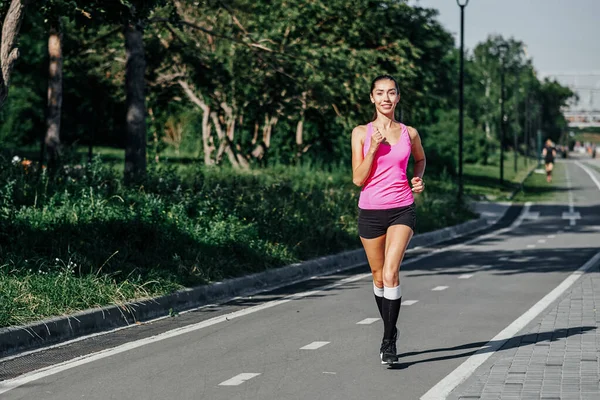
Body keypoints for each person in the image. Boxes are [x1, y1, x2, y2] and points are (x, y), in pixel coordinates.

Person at [351, 75, 426, 365]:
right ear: (372, 98)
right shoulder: (361, 132)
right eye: (380, 93)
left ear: (398, 97)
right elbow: (358, 178)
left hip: (401, 209)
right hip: (370, 211)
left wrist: (417, 177)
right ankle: (391, 329)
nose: (385, 98)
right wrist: (372, 148)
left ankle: (388, 341)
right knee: (378, 276)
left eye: (391, 93)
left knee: (391, 272)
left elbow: (420, 160)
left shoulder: (410, 133)